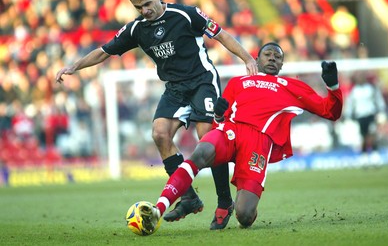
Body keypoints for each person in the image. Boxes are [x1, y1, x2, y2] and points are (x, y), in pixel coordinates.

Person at [55, 0, 258, 230]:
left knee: (208, 137)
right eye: (138, 7)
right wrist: (74, 66)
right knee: (159, 134)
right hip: (174, 89)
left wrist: (248, 58)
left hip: (201, 81)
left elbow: (222, 35)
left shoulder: (186, 14)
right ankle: (188, 198)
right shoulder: (136, 28)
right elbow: (104, 51)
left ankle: (224, 202)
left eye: (148, 4)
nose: (145, 10)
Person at [138, 42, 343, 231]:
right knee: (201, 152)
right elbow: (220, 120)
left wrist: (333, 87)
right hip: (232, 132)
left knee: (244, 216)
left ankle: (238, 204)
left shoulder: (291, 86)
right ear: (256, 59)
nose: (272, 58)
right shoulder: (239, 82)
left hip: (258, 143)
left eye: (277, 56)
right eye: (267, 54)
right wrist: (218, 115)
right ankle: (158, 208)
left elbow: (330, 112)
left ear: (282, 63)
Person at [343, 72, 386, 153]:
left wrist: (381, 111)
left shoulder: (371, 89)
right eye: (358, 78)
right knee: (363, 135)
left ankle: (374, 151)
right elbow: (350, 104)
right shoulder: (354, 91)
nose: (360, 79)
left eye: (361, 77)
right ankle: (364, 153)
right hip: (360, 116)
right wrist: (348, 115)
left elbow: (379, 100)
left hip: (371, 114)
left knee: (372, 133)